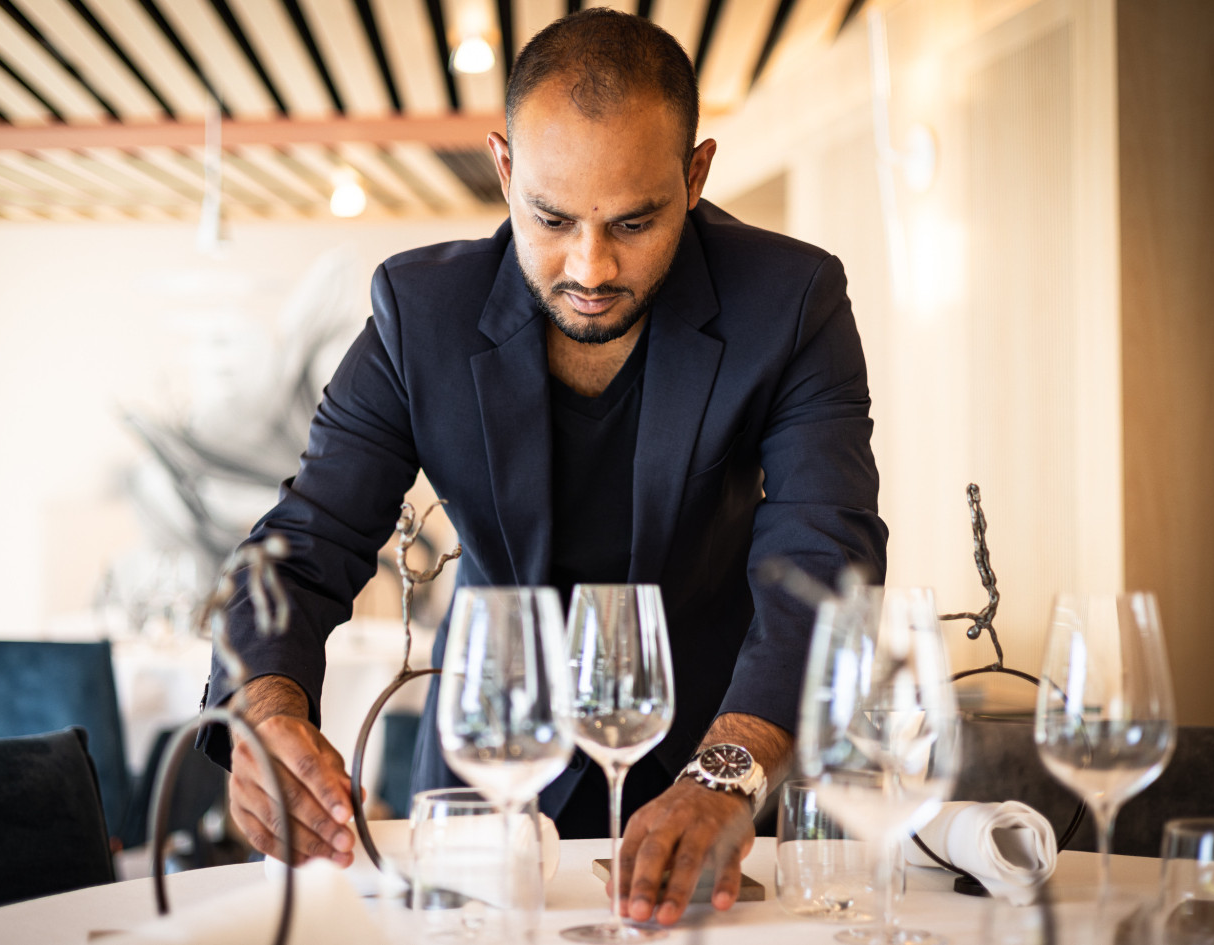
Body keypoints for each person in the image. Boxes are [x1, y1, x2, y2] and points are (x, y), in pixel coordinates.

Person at [199, 8, 888, 926]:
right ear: (506, 169)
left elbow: (824, 552)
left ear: (695, 175)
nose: (590, 265)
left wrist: (728, 772)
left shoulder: (790, 301)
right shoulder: (420, 315)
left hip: (710, 766)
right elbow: (303, 541)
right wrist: (263, 704)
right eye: (551, 218)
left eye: (635, 221)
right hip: (486, 766)